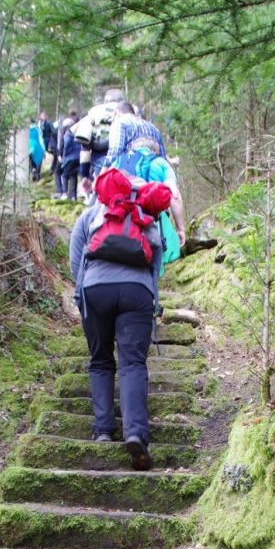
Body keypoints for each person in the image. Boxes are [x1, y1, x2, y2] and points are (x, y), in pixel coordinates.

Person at [69, 174, 163, 471]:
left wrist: (84, 290)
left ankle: (103, 430)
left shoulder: (91, 214)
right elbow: (157, 263)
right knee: (132, 363)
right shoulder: (145, 215)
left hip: (95, 289)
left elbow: (75, 260)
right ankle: (135, 433)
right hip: (136, 291)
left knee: (100, 360)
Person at [107, 103, 186, 250]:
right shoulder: (161, 163)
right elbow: (174, 196)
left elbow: (112, 157)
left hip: (123, 227)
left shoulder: (120, 163)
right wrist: (181, 228)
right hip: (153, 229)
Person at [72, 88, 124, 199]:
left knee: (101, 196)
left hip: (100, 160)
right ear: (121, 100)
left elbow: (85, 148)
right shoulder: (128, 111)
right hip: (125, 161)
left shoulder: (94, 112)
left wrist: (84, 175)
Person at [60, 117, 81, 200]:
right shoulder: (78, 133)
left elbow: (65, 147)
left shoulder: (67, 135)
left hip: (69, 158)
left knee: (64, 175)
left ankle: (64, 193)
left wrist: (63, 157)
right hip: (78, 157)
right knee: (74, 176)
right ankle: (74, 195)